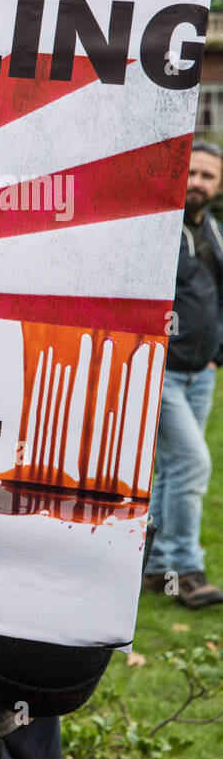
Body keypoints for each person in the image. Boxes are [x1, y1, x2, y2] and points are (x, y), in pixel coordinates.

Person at [145, 140, 223, 608]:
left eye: (208, 176)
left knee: (172, 470)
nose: (198, 182)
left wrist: (217, 354)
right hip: (164, 373)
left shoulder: (215, 232)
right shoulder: (156, 230)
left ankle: (155, 568)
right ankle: (185, 568)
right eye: (192, 173)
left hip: (202, 374)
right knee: (192, 463)